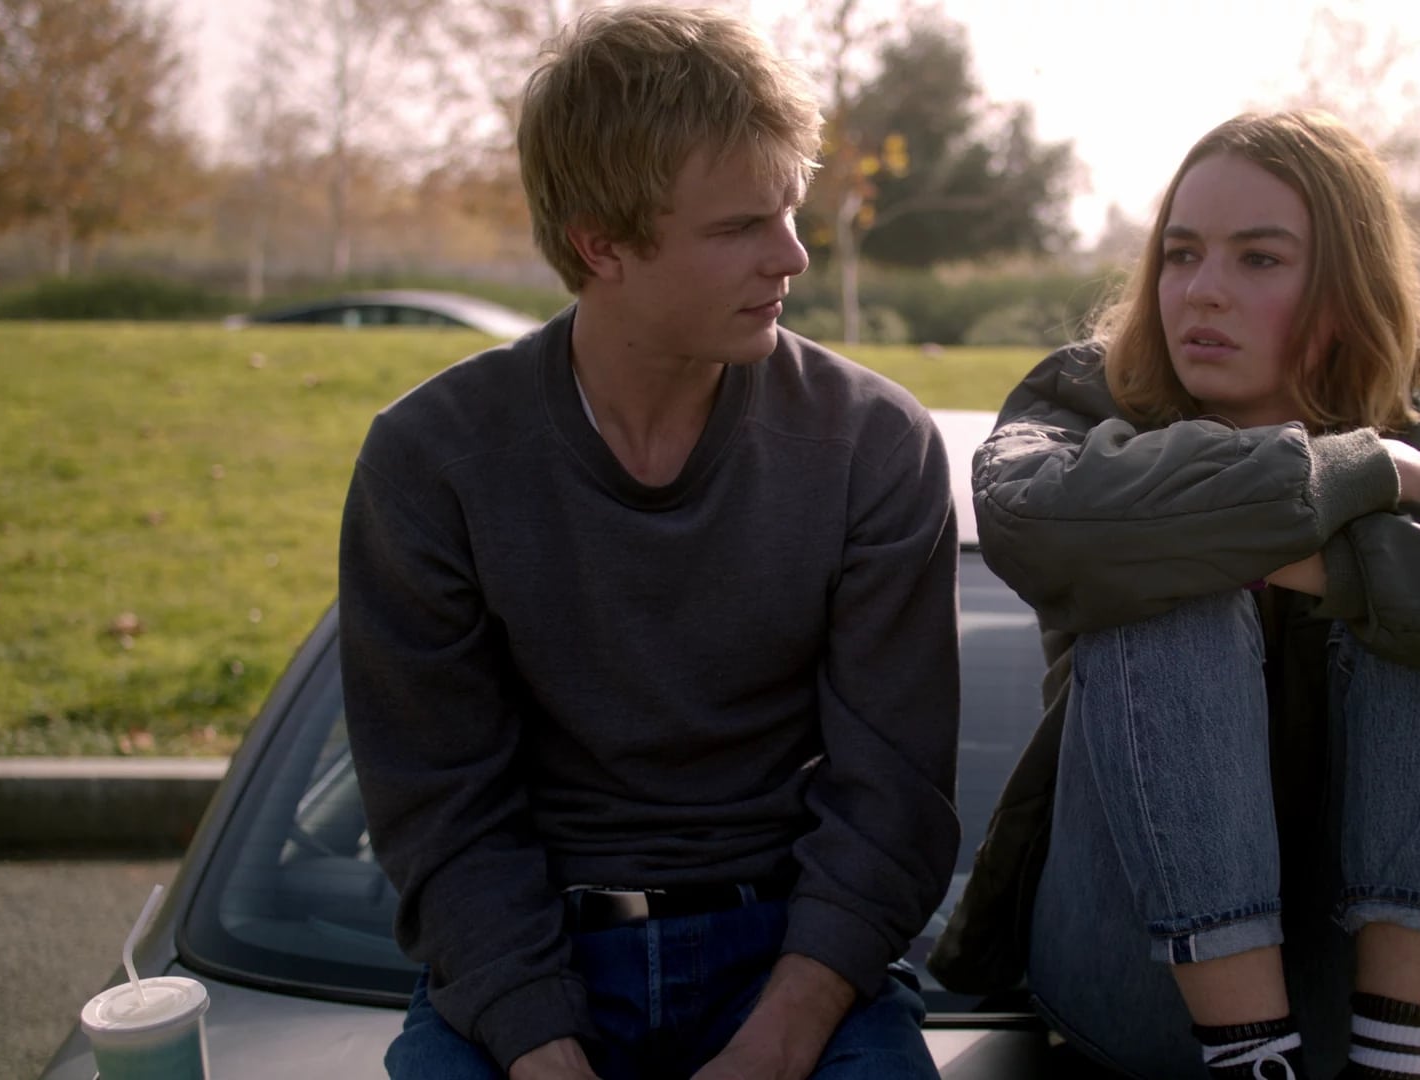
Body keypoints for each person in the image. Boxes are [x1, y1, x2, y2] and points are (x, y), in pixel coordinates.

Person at [929, 111, 1420, 1080]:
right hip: (1133, 969)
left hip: (1385, 989)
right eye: (1181, 254)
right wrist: (1361, 471)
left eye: (1258, 259)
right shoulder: (1082, 405)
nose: (1202, 290)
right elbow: (1033, 519)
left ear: (1346, 289)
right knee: (1170, 580)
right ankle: (1252, 1058)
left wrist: (1329, 565)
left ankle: (1394, 1063)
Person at [337, 7, 961, 1079]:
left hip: (797, 960)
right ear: (601, 244)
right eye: (740, 227)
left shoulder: (871, 445)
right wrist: (540, 1047)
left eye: (791, 210)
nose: (792, 256)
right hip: (530, 965)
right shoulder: (433, 464)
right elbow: (442, 811)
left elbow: (892, 800)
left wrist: (779, 1041)